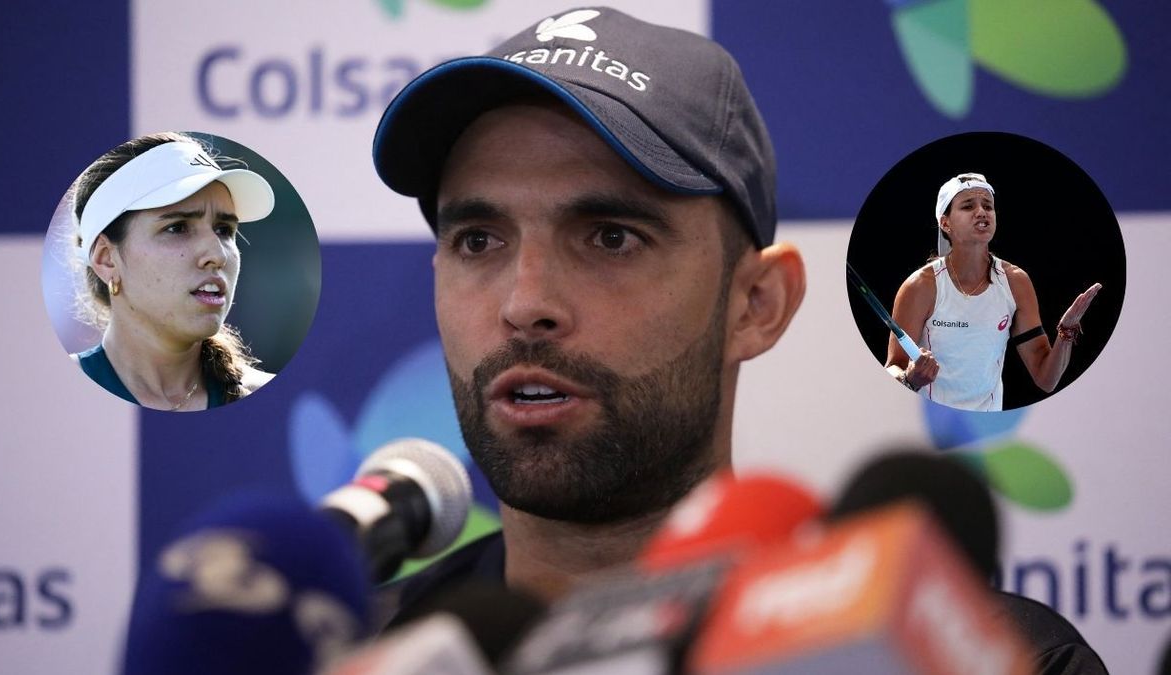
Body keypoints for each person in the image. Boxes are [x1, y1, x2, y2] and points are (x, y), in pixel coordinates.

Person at [371, 7, 1106, 673]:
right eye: (477, 239)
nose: (525, 303)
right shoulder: (361, 653)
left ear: (758, 303)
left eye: (610, 236)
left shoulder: (983, 659)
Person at [70, 132, 276, 410]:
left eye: (224, 230)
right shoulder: (52, 398)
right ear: (107, 259)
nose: (217, 255)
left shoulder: (268, 399)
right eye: (177, 228)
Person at [884, 172, 1102, 411]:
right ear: (945, 223)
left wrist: (1066, 332)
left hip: (987, 429)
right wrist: (910, 379)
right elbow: (893, 367)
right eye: (968, 206)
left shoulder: (1015, 282)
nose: (981, 212)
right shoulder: (920, 287)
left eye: (987, 205)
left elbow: (1046, 379)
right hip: (931, 424)